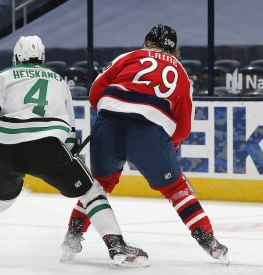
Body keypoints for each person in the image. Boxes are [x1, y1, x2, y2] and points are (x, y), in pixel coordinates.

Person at [0, 35, 149, 266]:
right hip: (46, 149)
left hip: (6, 153)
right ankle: (116, 246)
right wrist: (68, 151)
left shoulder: (2, 76)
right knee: (91, 192)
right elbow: (69, 132)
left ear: (17, 57)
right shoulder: (58, 80)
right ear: (42, 57)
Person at [61, 24, 229, 264]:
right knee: (176, 189)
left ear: (147, 41)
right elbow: (183, 125)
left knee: (97, 187)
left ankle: (72, 236)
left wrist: (111, 119)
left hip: (107, 124)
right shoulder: (180, 72)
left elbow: (95, 92)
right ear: (175, 50)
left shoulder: (129, 56)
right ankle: (208, 240)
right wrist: (169, 145)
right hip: (149, 133)